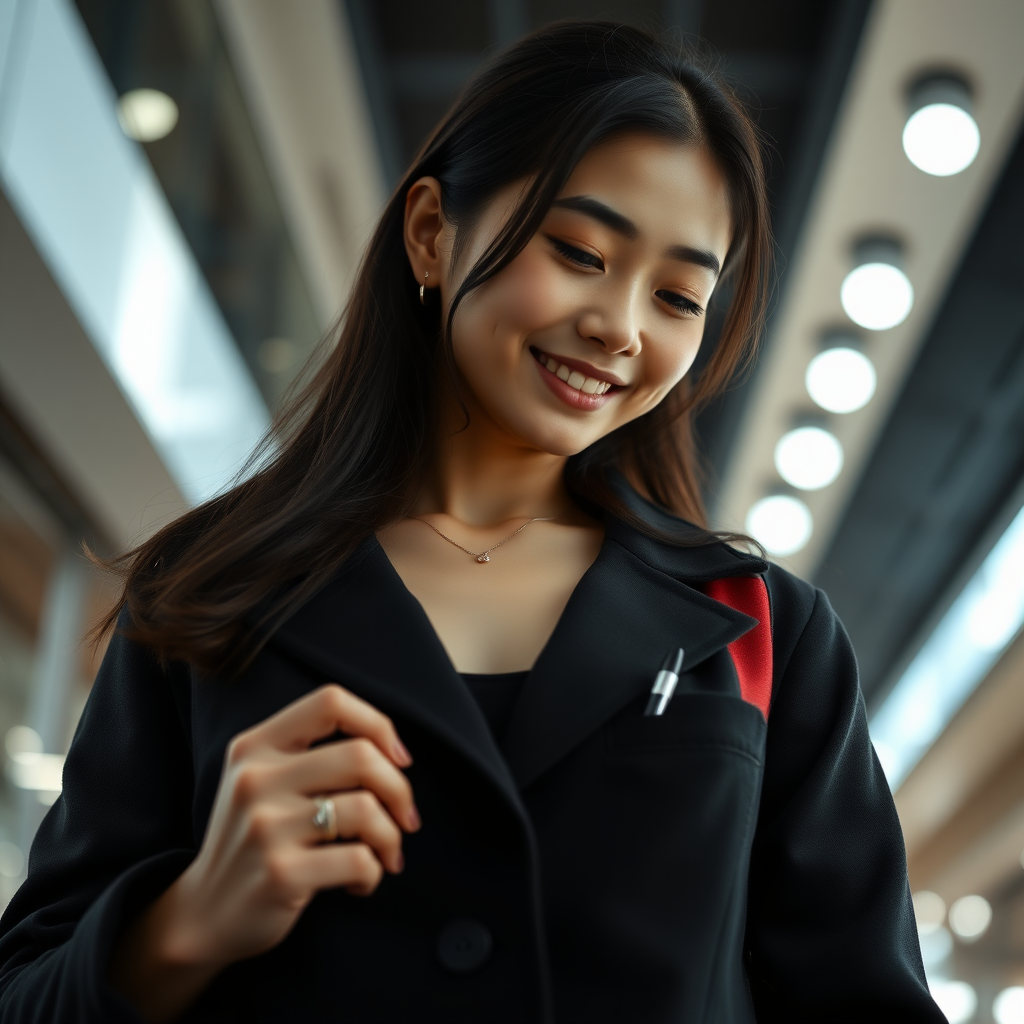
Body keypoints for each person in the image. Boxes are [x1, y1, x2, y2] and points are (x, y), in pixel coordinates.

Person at [0, 21, 942, 1024]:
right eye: (579, 250)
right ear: (430, 234)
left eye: (676, 295)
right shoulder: (209, 595)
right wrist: (186, 919)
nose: (621, 326)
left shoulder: (760, 632)